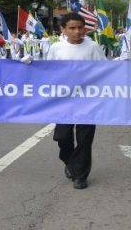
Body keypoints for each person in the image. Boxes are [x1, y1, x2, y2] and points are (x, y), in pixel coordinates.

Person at [45, 13, 106, 189]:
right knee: (63, 137)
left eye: (80, 27)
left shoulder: (94, 47)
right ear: (63, 30)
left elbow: (105, 71)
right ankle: (70, 161)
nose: (77, 31)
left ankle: (80, 175)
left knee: (85, 139)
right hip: (64, 101)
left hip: (88, 100)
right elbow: (48, 72)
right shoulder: (56, 48)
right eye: (72, 28)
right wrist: (30, 66)